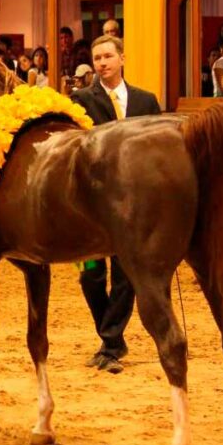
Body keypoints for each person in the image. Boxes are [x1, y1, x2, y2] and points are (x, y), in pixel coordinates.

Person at [70, 34, 161, 374]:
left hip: (133, 203)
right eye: (97, 58)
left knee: (126, 276)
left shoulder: (146, 101)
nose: (102, 63)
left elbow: (158, 149)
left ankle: (111, 342)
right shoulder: (79, 100)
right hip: (91, 204)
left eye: (108, 56)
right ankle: (112, 339)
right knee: (89, 275)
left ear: (122, 58)